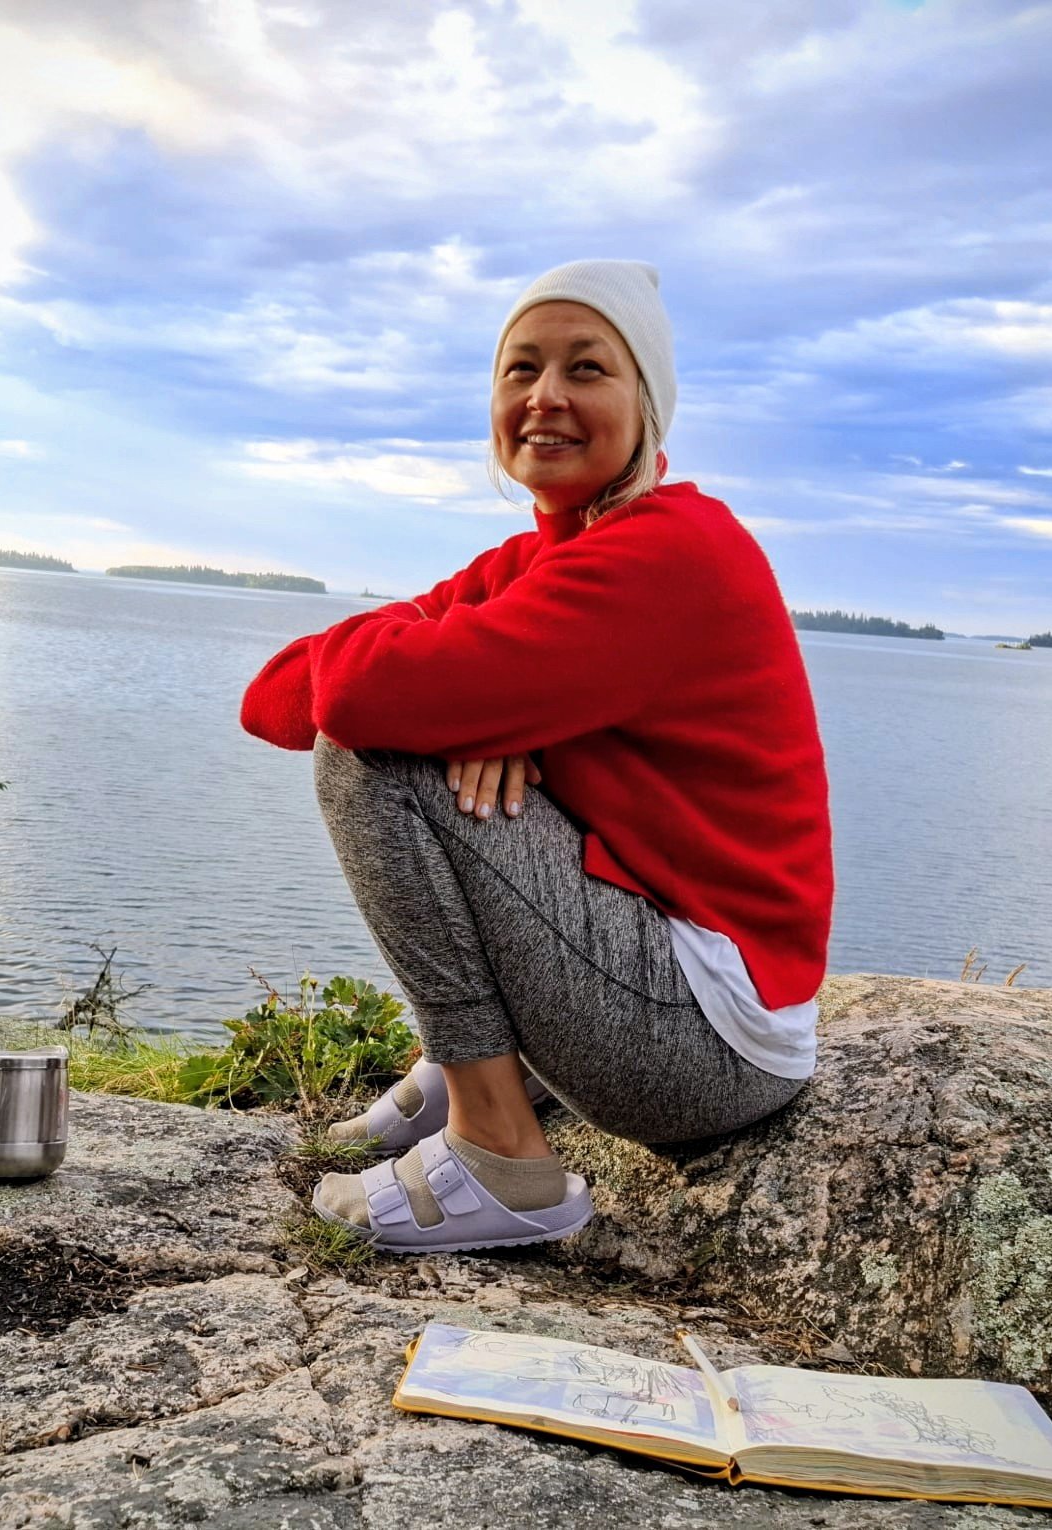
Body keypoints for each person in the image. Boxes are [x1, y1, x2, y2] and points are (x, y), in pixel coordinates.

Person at [237, 259, 833, 1254]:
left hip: (710, 1050)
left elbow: (345, 703)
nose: (545, 395)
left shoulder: (673, 552)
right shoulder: (534, 563)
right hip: (666, 992)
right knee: (402, 725)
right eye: (521, 368)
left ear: (648, 403)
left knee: (371, 755)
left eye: (586, 368)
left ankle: (499, 1152)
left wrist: (464, 704)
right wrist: (480, 710)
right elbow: (270, 697)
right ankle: (467, 1070)